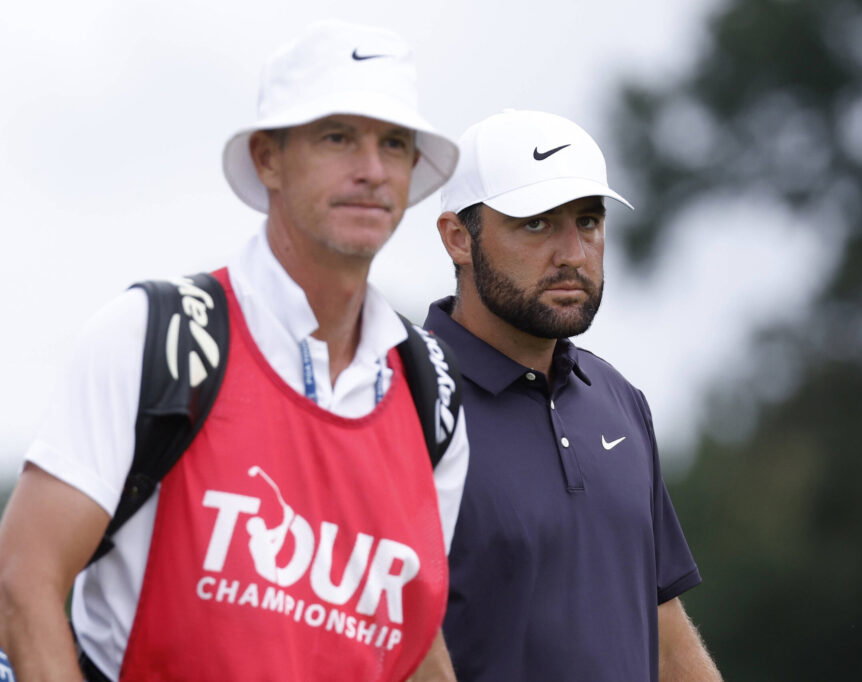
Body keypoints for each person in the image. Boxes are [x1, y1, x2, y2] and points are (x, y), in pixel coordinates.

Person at [0, 21, 467, 682]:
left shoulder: (430, 392)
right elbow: (23, 583)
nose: (371, 169)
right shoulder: (153, 334)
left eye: (393, 143)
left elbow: (411, 644)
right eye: (337, 137)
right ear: (267, 158)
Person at [426, 109, 723, 681]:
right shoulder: (404, 400)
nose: (573, 254)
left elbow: (661, 630)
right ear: (458, 238)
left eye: (587, 222)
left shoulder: (618, 399)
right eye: (536, 223)